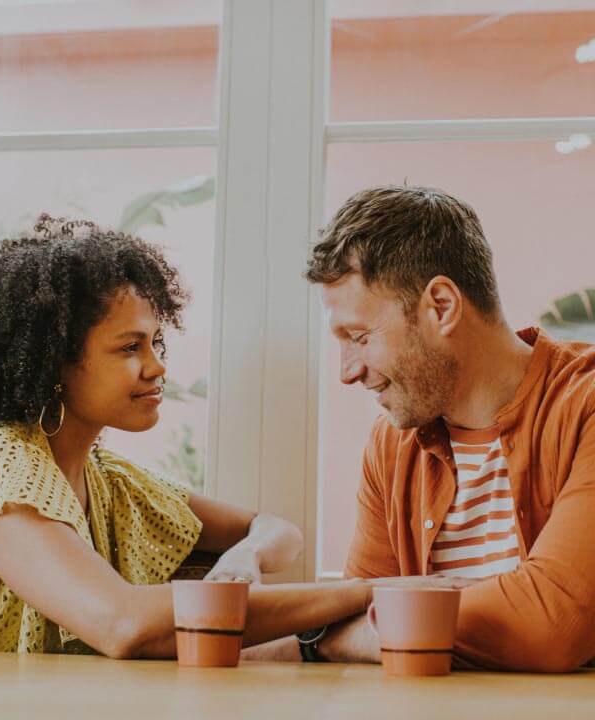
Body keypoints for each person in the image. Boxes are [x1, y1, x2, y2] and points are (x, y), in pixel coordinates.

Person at [0, 215, 372, 656]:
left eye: (156, 341)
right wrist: (370, 593)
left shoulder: (108, 481)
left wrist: (246, 554)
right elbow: (124, 624)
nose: (157, 366)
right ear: (56, 361)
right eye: (131, 346)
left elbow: (278, 531)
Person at [245, 186, 595, 672]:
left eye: (360, 337)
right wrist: (340, 634)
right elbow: (351, 621)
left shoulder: (585, 407)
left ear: (443, 306)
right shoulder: (392, 443)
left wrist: (324, 638)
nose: (347, 371)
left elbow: (550, 623)